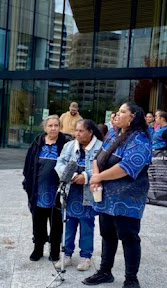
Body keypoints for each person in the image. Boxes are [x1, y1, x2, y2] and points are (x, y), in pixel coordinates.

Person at [84, 102, 152, 288]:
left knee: (128, 236)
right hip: (106, 196)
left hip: (128, 197)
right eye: (118, 111)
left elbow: (127, 167)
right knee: (107, 233)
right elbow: (97, 156)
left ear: (133, 117)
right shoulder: (114, 134)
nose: (117, 114)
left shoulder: (140, 140)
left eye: (123, 112)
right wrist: (96, 178)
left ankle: (131, 279)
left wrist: (98, 177)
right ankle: (105, 271)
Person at [55, 120, 103, 270]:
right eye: (76, 130)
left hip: (88, 193)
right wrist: (72, 174)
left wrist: (86, 177)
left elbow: (102, 168)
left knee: (86, 225)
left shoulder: (101, 147)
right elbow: (60, 163)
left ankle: (85, 257)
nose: (77, 134)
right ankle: (66, 254)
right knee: (68, 224)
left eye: (81, 131)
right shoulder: (69, 146)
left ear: (90, 132)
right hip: (70, 191)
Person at [22, 115, 70, 262]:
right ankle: (38, 249)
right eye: (50, 126)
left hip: (56, 191)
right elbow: (28, 164)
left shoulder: (66, 143)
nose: (53, 128)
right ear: (45, 128)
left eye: (56, 125)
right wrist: (27, 183)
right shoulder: (38, 143)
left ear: (60, 127)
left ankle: (54, 251)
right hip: (39, 190)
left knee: (56, 223)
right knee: (38, 222)